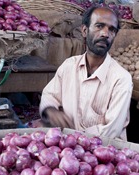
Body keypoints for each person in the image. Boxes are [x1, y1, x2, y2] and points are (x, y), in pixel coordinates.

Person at [39, 6, 133, 140]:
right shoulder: (69, 66)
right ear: (84, 30)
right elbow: (50, 94)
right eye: (99, 26)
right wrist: (51, 110)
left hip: (104, 150)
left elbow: (110, 130)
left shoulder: (121, 78)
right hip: (68, 147)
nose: (105, 33)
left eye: (111, 29)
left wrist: (72, 138)